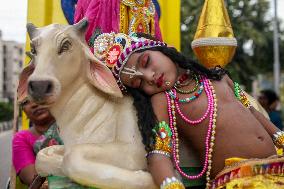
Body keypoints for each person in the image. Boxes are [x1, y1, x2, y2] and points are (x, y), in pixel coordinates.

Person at [91, 32, 284, 189]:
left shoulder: (217, 76)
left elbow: (252, 111)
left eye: (146, 61)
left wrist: (279, 136)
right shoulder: (163, 100)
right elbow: (159, 153)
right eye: (139, 82)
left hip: (278, 165)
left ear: (164, 49)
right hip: (238, 179)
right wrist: (170, 184)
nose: (149, 77)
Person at [12, 64, 63, 187]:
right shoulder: (21, 139)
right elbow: (34, 180)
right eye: (26, 102)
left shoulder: (74, 125)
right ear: (23, 110)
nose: (34, 104)